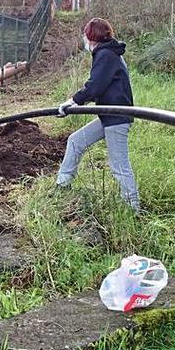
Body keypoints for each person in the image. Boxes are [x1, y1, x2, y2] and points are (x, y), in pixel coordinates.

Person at [56, 18, 140, 212]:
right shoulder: (108, 53)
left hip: (116, 118)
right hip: (107, 115)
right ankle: (62, 186)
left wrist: (73, 101)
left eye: (85, 35)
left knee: (119, 165)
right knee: (75, 141)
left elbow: (95, 85)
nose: (84, 39)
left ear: (91, 36)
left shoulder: (106, 55)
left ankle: (133, 208)